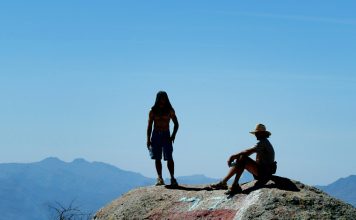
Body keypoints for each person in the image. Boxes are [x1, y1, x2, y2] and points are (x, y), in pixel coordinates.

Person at [210, 124, 276, 195]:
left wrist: (233, 156)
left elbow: (247, 152)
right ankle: (224, 182)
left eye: (258, 133)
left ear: (263, 133)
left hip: (264, 173)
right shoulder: (264, 142)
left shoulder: (263, 143)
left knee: (242, 157)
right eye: (256, 133)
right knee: (241, 158)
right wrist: (236, 157)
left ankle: (234, 185)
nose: (256, 135)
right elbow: (248, 152)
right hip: (262, 171)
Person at [147, 91, 179, 187]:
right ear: (158, 99)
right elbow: (149, 125)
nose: (163, 100)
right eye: (161, 98)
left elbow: (176, 124)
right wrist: (148, 139)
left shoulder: (170, 110)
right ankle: (160, 178)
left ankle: (172, 178)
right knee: (157, 157)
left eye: (164, 98)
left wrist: (173, 135)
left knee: (169, 157)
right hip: (156, 134)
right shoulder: (152, 111)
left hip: (166, 135)